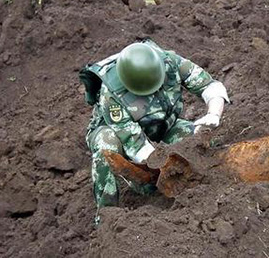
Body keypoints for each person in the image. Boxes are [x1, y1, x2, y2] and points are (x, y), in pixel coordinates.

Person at [79, 39, 230, 211]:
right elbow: (134, 143)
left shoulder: (169, 62)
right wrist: (164, 170)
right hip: (119, 135)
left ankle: (212, 186)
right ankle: (108, 212)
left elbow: (209, 86)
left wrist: (213, 114)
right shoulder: (111, 94)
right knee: (107, 144)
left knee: (197, 141)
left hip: (161, 126)